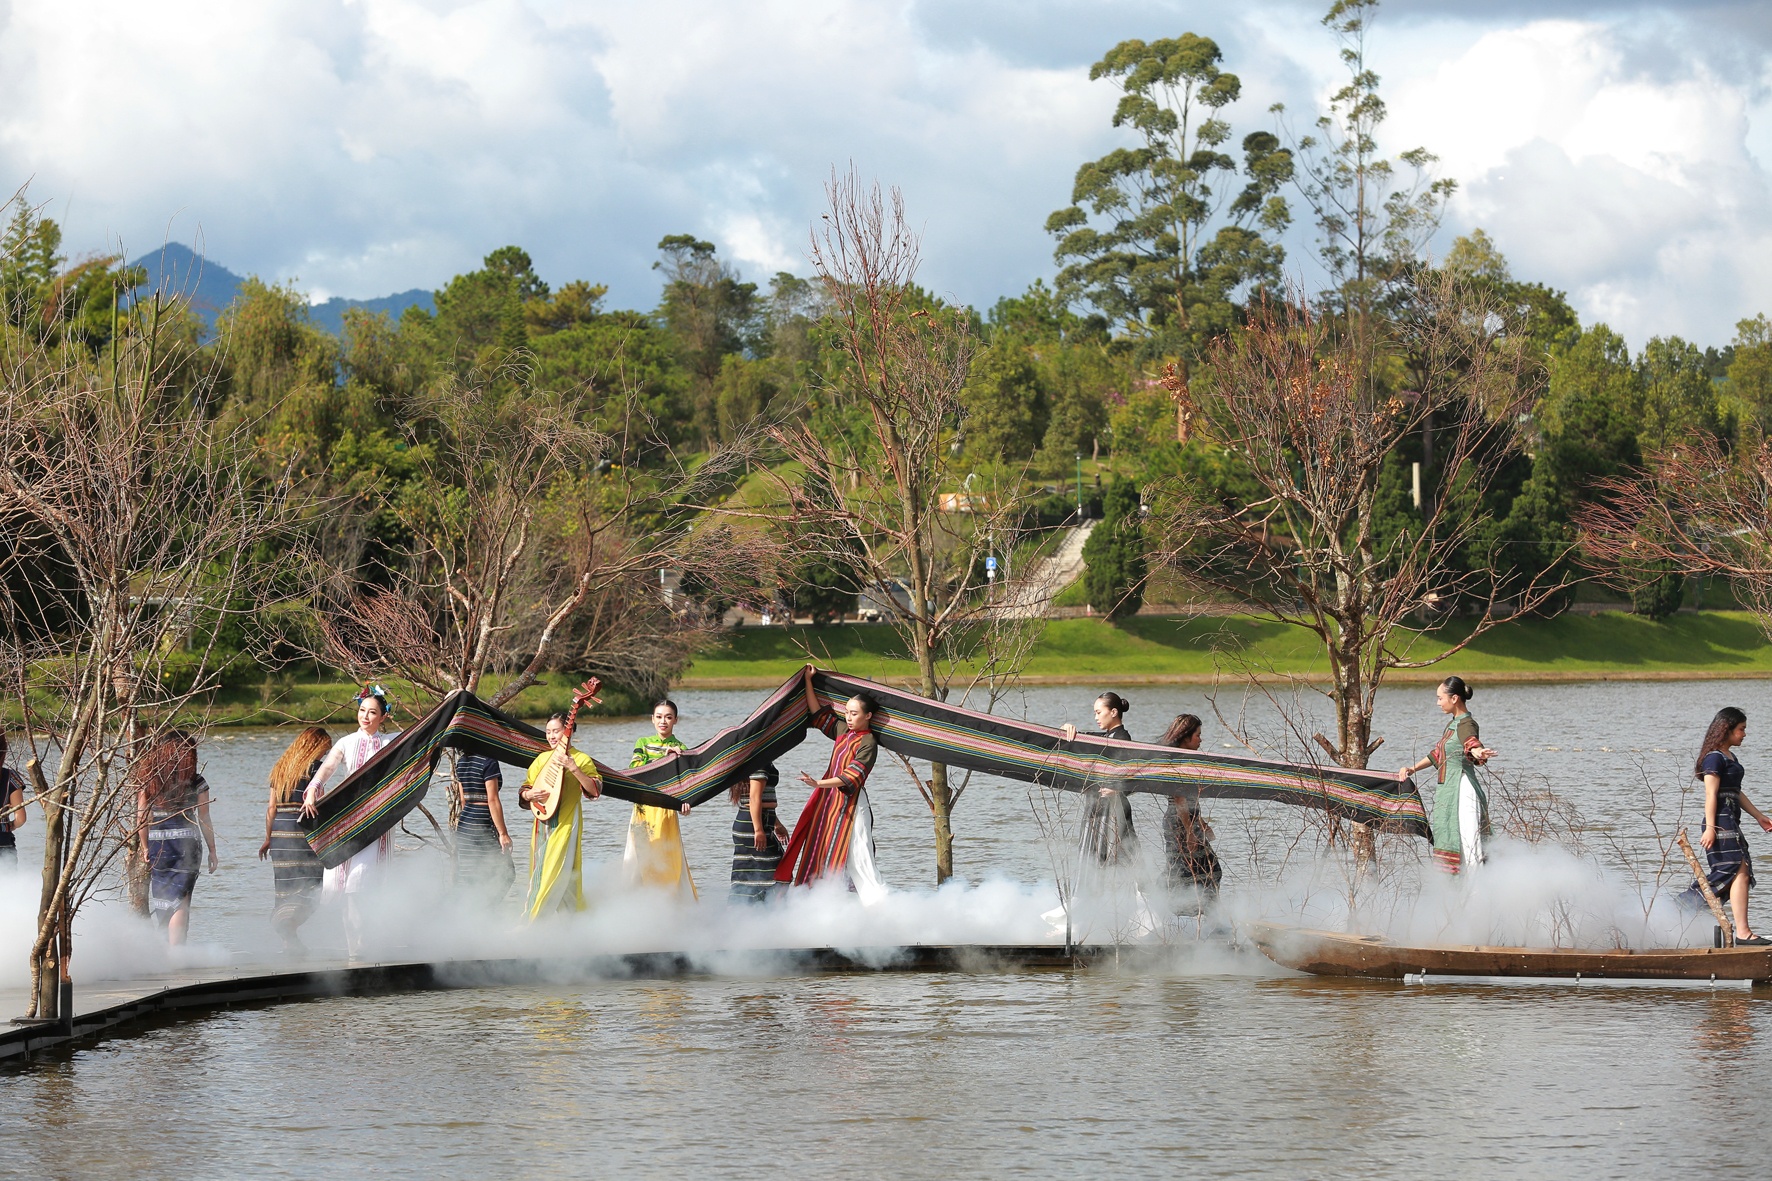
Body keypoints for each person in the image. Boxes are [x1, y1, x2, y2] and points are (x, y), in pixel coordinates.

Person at [301, 686, 399, 957]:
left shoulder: (392, 742)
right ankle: (354, 948)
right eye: (362, 711)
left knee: (363, 883)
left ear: (384, 717)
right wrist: (312, 792)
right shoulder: (346, 742)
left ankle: (368, 942)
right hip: (349, 821)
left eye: (372, 712)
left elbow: (425, 737)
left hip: (377, 822)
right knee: (348, 887)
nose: (365, 717)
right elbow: (327, 769)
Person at [776, 674, 886, 902]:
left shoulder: (868, 742)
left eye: (854, 713)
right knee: (820, 850)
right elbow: (817, 714)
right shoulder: (843, 732)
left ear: (868, 716)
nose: (848, 717)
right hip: (829, 804)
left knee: (860, 855)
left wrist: (818, 783)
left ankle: (878, 905)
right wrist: (807, 680)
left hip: (852, 804)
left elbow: (850, 778)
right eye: (846, 712)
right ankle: (818, 903)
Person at [1398, 676, 1496, 874]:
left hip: (1462, 790)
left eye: (1440, 698)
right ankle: (1458, 892)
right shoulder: (1453, 725)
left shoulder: (1466, 723)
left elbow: (1471, 742)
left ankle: (1476, 891)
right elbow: (1437, 755)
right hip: (1450, 791)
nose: (1437, 702)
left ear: (1454, 698)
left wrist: (1478, 751)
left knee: (1469, 843)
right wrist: (1412, 768)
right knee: (1456, 839)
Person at [1691, 707, 1772, 944]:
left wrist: (1759, 816)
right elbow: (1710, 794)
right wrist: (1710, 828)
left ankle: (1743, 933)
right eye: (1741, 729)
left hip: (1731, 820)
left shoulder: (1729, 756)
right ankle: (1679, 907)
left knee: (1741, 872)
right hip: (1720, 822)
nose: (1744, 734)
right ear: (1727, 729)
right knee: (1729, 871)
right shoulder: (1713, 757)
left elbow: (1735, 793)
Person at [517, 710, 602, 919]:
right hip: (542, 823)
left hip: (566, 824)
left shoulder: (582, 759)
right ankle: (553, 922)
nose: (551, 736)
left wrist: (573, 768)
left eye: (556, 731)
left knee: (562, 873)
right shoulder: (541, 759)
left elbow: (594, 790)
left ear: (568, 731)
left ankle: (543, 922)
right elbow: (524, 790)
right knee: (540, 872)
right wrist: (529, 794)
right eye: (548, 732)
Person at [137, 731, 219, 945]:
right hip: (186, 845)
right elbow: (204, 817)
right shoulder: (197, 781)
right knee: (181, 900)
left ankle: (167, 952)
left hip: (159, 844)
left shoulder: (148, 778)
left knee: (165, 898)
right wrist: (212, 849)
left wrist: (146, 847)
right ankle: (177, 953)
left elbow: (141, 817)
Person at [258, 727, 331, 952]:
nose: (324, 756)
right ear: (315, 747)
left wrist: (268, 838)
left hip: (280, 835)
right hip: (302, 834)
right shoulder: (316, 769)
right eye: (324, 751)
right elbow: (320, 803)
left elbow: (271, 808)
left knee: (286, 891)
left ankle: (289, 944)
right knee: (313, 888)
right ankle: (284, 926)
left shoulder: (280, 768)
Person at [624, 699, 697, 900]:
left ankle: (671, 904)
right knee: (638, 858)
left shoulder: (681, 747)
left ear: (676, 720)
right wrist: (664, 757)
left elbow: (685, 783)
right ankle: (636, 904)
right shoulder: (643, 743)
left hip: (666, 810)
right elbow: (635, 770)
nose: (663, 721)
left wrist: (686, 802)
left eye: (668, 717)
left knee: (668, 857)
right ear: (652, 720)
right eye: (659, 717)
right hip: (643, 808)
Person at [1060, 691, 1137, 865]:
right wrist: (1066, 728)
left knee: (1126, 859)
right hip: (1097, 808)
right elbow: (1076, 739)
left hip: (1114, 810)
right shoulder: (1103, 737)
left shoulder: (1123, 739)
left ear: (1114, 712)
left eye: (1098, 712)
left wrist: (1118, 788)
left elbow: (1134, 775)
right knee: (1093, 859)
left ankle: (1142, 892)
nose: (1095, 717)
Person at [1158, 714, 1222, 903]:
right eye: (1198, 735)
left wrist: (1201, 823)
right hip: (1179, 823)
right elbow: (1179, 798)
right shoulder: (1177, 762)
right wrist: (1189, 832)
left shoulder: (1184, 759)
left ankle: (1204, 915)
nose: (1200, 739)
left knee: (1205, 870)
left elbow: (1190, 799)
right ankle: (1163, 906)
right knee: (1186, 872)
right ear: (1185, 737)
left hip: (1187, 820)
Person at [452, 749, 515, 903]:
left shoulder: (462, 762)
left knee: (471, 875)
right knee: (506, 872)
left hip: (466, 821)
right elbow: (492, 800)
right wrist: (503, 833)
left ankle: (473, 916)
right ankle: (488, 912)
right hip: (483, 820)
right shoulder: (489, 761)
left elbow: (463, 799)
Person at [729, 764, 787, 903]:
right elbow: (754, 798)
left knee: (748, 873)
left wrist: (776, 824)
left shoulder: (756, 759)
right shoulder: (760, 763)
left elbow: (763, 800)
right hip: (752, 824)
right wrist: (758, 830)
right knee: (778, 872)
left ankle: (745, 912)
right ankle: (769, 912)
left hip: (755, 821)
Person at [0, 733, 26, 871]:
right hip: (4, 842)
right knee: (7, 888)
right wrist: (10, 826)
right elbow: (20, 818)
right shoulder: (11, 777)